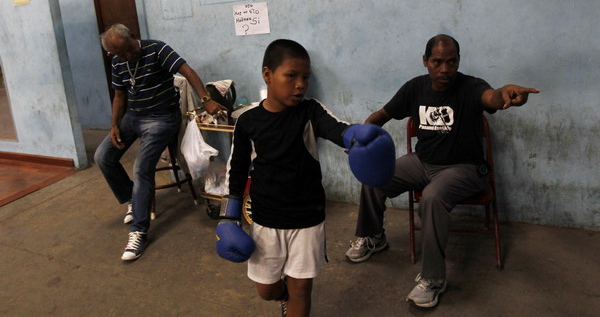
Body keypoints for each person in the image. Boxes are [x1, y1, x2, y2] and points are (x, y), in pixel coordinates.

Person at [345, 34, 540, 308]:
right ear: (425, 61)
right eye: (437, 62)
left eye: (451, 62)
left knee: (432, 198)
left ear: (458, 61)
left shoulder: (471, 86)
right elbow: (382, 114)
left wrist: (504, 92)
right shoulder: (414, 88)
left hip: (465, 168)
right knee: (374, 177)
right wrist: (364, 136)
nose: (445, 69)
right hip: (423, 163)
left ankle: (433, 279)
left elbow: (492, 97)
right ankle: (373, 236)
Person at [214, 39, 395, 317]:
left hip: (307, 218)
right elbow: (236, 169)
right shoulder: (248, 121)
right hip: (266, 218)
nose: (300, 84)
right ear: (267, 75)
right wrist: (228, 217)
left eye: (305, 78)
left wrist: (355, 136)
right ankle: (282, 294)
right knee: (267, 290)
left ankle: (293, 300)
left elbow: (335, 128)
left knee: (302, 290)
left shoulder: (310, 111)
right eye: (291, 76)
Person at [94, 23, 226, 261]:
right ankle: (133, 200)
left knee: (141, 168)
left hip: (162, 118)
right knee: (103, 156)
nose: (125, 57)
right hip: (133, 117)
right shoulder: (117, 62)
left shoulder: (157, 49)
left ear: (133, 37)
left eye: (126, 51)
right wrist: (114, 125)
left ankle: (139, 231)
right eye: (119, 54)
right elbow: (120, 95)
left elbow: (187, 71)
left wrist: (205, 99)